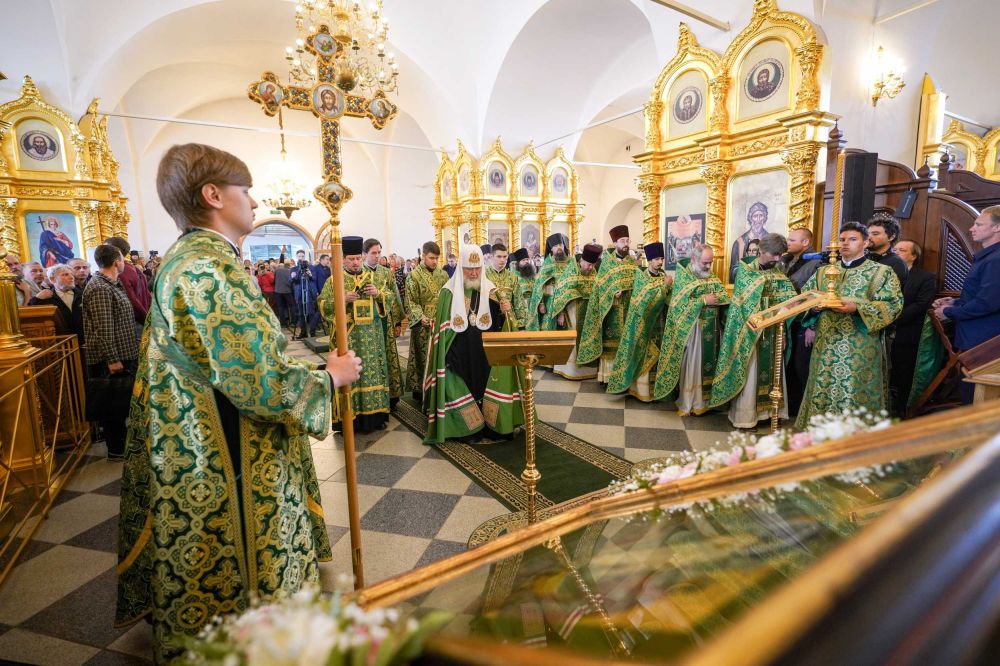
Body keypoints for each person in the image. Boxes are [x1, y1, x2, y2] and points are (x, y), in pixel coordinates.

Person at [116, 143, 361, 661]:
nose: (253, 201)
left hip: (202, 431)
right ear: (213, 195)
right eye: (245, 190)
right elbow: (259, 382)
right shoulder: (208, 269)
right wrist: (329, 376)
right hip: (225, 448)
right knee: (239, 575)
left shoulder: (194, 260)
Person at [795, 222, 903, 428]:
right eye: (842, 239)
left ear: (866, 242)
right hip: (825, 344)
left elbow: (893, 305)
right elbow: (805, 300)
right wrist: (815, 308)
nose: (845, 244)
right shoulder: (823, 272)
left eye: (852, 239)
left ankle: (855, 440)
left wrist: (856, 307)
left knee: (853, 389)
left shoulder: (881, 272)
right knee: (822, 386)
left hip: (859, 345)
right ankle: (818, 435)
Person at [422, 244, 523, 444]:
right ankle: (466, 429)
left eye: (477, 268)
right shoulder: (448, 293)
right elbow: (442, 329)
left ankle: (493, 426)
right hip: (459, 352)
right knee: (463, 383)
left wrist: (505, 311)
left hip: (486, 353)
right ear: (461, 268)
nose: (474, 272)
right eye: (470, 268)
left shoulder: (492, 290)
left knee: (486, 384)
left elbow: (503, 324)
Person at [710, 233, 797, 428]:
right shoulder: (745, 271)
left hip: (773, 331)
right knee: (751, 372)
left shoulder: (778, 273)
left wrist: (783, 326)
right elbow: (743, 304)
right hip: (750, 333)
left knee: (772, 372)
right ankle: (747, 417)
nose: (777, 259)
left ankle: (769, 413)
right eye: (774, 255)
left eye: (780, 255)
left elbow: (789, 299)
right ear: (762, 251)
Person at [318, 236, 392, 432]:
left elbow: (389, 298)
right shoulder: (334, 281)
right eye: (351, 259)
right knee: (351, 375)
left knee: (372, 374)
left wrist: (379, 294)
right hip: (348, 337)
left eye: (358, 258)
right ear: (343, 259)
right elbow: (323, 305)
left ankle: (376, 417)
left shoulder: (375, 276)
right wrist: (342, 299)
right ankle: (349, 420)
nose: (355, 262)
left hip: (372, 336)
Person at [653, 244, 729, 414]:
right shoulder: (684, 277)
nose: (709, 266)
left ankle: (709, 401)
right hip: (693, 331)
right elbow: (677, 306)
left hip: (713, 330)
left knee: (710, 365)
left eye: (711, 262)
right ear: (694, 260)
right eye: (705, 263)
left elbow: (723, 298)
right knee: (695, 365)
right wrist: (703, 301)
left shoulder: (712, 276)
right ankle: (692, 402)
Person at [933, 206, 1000, 401]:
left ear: (997, 228)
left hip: (985, 340)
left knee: (977, 395)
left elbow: (987, 303)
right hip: (978, 336)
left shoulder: (996, 259)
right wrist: (954, 302)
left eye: (979, 224)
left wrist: (949, 312)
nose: (972, 228)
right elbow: (982, 295)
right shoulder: (990, 257)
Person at [82, 244, 137, 459]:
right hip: (112, 358)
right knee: (114, 406)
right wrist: (113, 360)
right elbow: (103, 327)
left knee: (122, 404)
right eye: (122, 259)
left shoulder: (112, 284)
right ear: (116, 262)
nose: (124, 262)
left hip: (124, 352)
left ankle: (123, 443)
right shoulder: (100, 288)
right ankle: (116, 448)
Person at [606, 242, 674, 401]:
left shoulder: (664, 276)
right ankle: (641, 391)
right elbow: (644, 303)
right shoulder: (641, 276)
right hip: (643, 325)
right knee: (642, 354)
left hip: (660, 324)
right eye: (657, 259)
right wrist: (664, 288)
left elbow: (669, 299)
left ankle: (656, 391)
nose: (660, 262)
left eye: (662, 258)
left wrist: (669, 290)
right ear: (649, 260)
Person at [577, 225, 638, 382]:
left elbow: (638, 283)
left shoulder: (632, 263)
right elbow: (600, 287)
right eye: (622, 241)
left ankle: (623, 377)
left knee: (627, 345)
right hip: (611, 311)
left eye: (627, 240)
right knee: (611, 346)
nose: (626, 244)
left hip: (629, 310)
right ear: (615, 243)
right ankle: (608, 378)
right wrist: (611, 293)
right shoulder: (607, 263)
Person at [890, 240, 937, 415]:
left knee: (904, 373)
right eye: (894, 250)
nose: (896, 253)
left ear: (914, 256)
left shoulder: (925, 277)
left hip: (907, 332)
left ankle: (903, 410)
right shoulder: (884, 274)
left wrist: (892, 318)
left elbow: (921, 304)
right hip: (882, 331)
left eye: (901, 250)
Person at [781, 227, 823, 415]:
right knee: (789, 366)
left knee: (801, 367)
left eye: (792, 240)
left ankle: (804, 410)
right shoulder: (789, 261)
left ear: (805, 243)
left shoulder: (817, 263)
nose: (788, 243)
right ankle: (791, 407)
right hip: (790, 321)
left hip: (804, 323)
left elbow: (817, 297)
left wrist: (812, 325)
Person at [548, 244, 602, 380]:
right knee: (574, 338)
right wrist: (560, 313)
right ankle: (570, 370)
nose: (590, 268)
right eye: (588, 265)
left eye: (593, 265)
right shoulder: (571, 270)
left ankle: (588, 370)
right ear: (582, 261)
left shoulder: (594, 272)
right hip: (572, 311)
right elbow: (561, 291)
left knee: (588, 336)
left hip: (590, 313)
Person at [361, 238, 405, 405]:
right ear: (364, 254)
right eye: (374, 253)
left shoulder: (386, 272)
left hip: (384, 321)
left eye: (379, 252)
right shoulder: (359, 272)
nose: (377, 256)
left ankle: (392, 396)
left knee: (388, 356)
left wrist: (398, 321)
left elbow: (394, 296)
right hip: (365, 324)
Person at [404, 241, 448, 399]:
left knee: (441, 355)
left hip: (441, 320)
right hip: (422, 323)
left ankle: (439, 387)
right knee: (422, 356)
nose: (435, 261)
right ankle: (422, 390)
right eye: (431, 258)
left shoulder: (443, 275)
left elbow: (448, 297)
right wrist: (420, 317)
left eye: (437, 258)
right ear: (423, 256)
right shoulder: (413, 276)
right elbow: (411, 301)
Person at [526, 233, 574, 331]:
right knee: (548, 332)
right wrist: (541, 303)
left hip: (568, 303)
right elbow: (539, 285)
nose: (559, 248)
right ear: (551, 249)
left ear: (564, 245)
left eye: (560, 244)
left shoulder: (571, 263)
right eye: (555, 246)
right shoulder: (547, 263)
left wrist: (563, 312)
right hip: (549, 303)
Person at [105, 236, 150, 335]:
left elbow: (131, 301)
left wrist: (145, 319)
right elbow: (147, 295)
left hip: (135, 321)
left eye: (105, 248)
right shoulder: (134, 268)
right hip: (144, 317)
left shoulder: (120, 272)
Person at [29, 263, 83, 337]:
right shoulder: (47, 297)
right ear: (52, 279)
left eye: (71, 274)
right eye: (65, 274)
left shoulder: (82, 294)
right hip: (61, 340)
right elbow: (29, 313)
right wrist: (36, 298)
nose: (71, 277)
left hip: (84, 339)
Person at [866, 212, 909, 287]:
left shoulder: (897, 263)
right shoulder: (862, 257)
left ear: (891, 237)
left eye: (875, 234)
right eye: (867, 234)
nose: (869, 237)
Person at [730, 202, 768, 282]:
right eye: (755, 216)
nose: (758, 220)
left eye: (761, 216)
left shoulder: (769, 240)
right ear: (750, 218)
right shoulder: (739, 243)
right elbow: (733, 271)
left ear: (764, 218)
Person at [289, 251, 318, 339]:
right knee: (301, 313)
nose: (301, 258)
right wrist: (295, 274)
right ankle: (303, 332)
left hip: (309, 292)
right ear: (297, 257)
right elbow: (290, 281)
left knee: (311, 312)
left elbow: (314, 278)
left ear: (304, 256)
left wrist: (310, 274)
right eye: (299, 256)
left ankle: (312, 332)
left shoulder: (311, 267)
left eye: (302, 256)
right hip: (299, 293)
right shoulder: (293, 269)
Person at [509, 248, 535, 330]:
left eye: (527, 259)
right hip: (520, 316)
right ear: (518, 263)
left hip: (533, 314)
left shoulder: (531, 276)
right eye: (523, 260)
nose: (526, 262)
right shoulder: (513, 276)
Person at [273, 258, 294, 326]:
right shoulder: (290, 271)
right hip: (287, 291)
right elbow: (291, 282)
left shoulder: (277, 270)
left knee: (280, 307)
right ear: (289, 264)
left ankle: (283, 323)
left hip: (277, 291)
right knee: (291, 306)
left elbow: (274, 279)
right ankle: (293, 321)